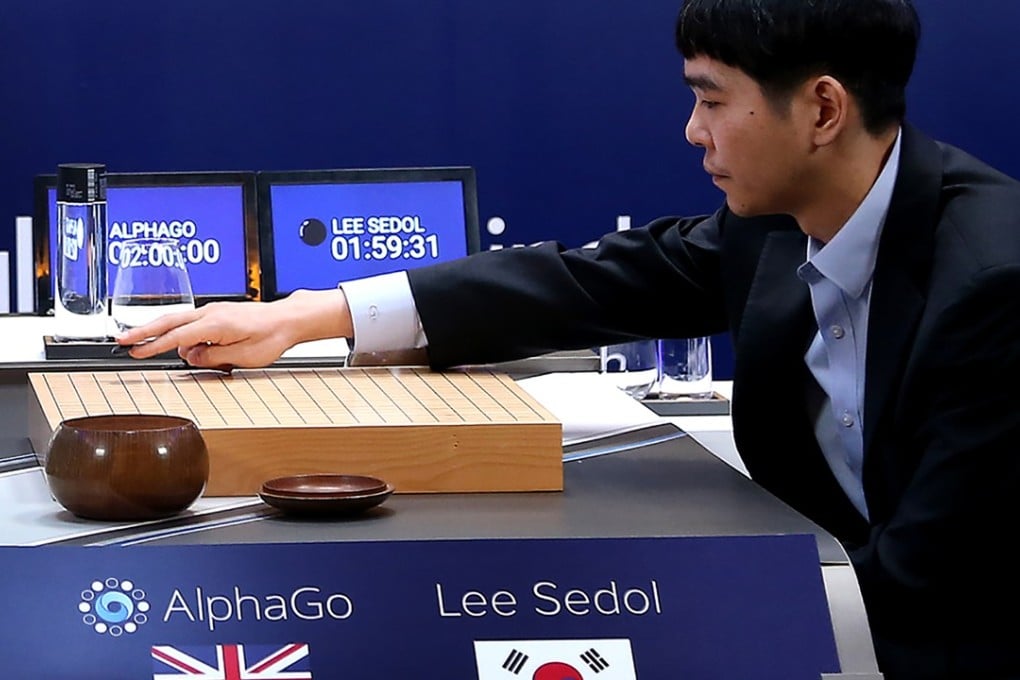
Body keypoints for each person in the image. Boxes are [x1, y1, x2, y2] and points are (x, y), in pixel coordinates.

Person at [120, 1, 1020, 677]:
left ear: (822, 110)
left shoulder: (994, 284)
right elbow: (579, 284)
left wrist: (678, 616)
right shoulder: (774, 225)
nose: (692, 132)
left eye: (712, 100)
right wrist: (304, 316)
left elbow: (931, 582)